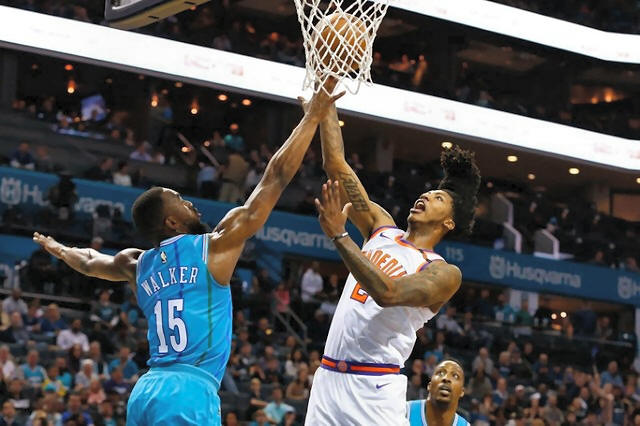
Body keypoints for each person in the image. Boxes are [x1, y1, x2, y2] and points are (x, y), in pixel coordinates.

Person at [33, 84, 342, 426]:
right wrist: (311, 119)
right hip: (189, 390)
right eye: (180, 200)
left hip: (147, 390)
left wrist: (61, 250)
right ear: (171, 221)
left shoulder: (137, 264)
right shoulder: (214, 246)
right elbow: (275, 179)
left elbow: (91, 262)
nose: (190, 203)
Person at [305, 93, 480, 425]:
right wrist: (326, 102)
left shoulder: (442, 272)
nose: (425, 195)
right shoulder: (380, 227)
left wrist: (340, 236)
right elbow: (336, 165)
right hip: (327, 379)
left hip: (374, 388)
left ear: (448, 222)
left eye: (437, 198)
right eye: (427, 192)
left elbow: (388, 293)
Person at [406, 360, 470, 426]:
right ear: (429, 385)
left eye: (455, 376)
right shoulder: (405, 411)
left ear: (462, 392)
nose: (446, 378)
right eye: (440, 373)